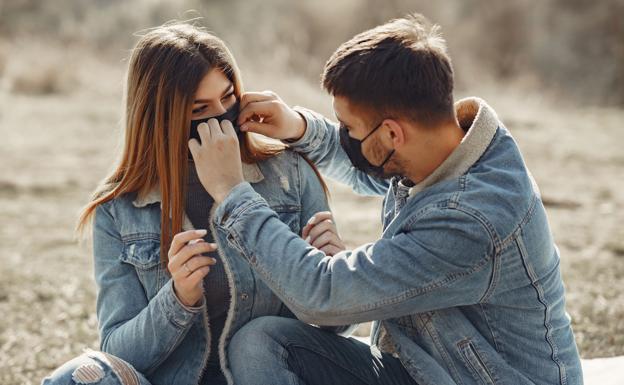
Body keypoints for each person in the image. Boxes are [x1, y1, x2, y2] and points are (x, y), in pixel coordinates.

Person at [190, 13, 583, 385]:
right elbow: (373, 167)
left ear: (393, 134)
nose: (344, 136)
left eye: (349, 128)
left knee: (268, 340)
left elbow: (322, 295)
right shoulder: (450, 148)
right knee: (263, 343)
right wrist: (299, 127)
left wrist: (232, 192)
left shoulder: (472, 218)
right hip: (430, 367)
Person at [41, 23, 350, 385]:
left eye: (229, 98)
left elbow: (335, 326)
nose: (222, 116)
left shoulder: (290, 173)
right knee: (77, 377)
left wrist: (334, 273)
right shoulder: (118, 209)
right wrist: (178, 298)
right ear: (161, 118)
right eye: (200, 108)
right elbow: (117, 351)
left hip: (267, 377)